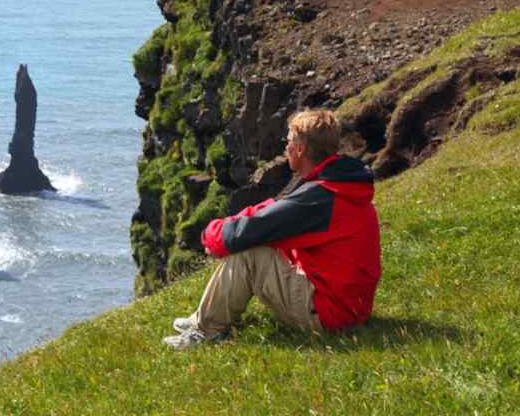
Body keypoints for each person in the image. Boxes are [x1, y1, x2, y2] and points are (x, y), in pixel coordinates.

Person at [163, 109, 381, 349]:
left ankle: (206, 332)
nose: (285, 149)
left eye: (288, 142)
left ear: (299, 149)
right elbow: (271, 212)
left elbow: (247, 232)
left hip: (331, 314)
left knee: (250, 252)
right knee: (262, 241)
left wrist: (210, 235)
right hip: (350, 305)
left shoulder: (321, 197)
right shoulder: (337, 183)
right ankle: (202, 319)